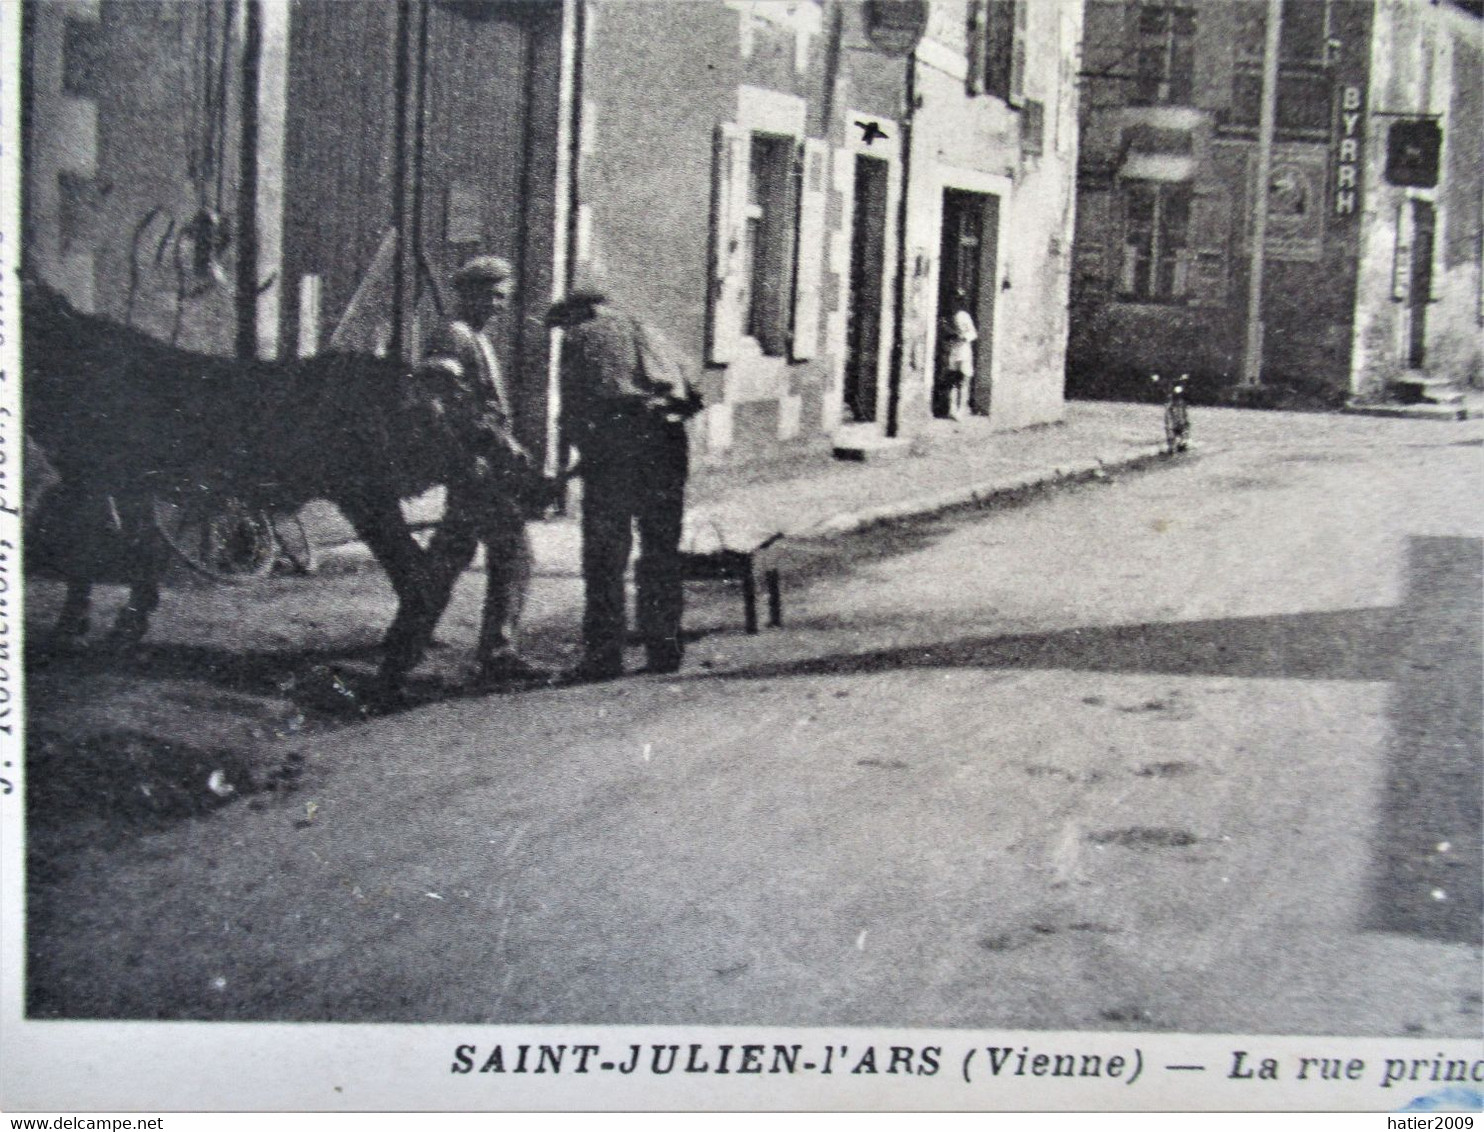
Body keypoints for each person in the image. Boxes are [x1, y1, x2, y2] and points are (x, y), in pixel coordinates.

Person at [389, 254, 551, 690]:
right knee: (511, 555)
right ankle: (493, 654)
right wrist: (467, 456)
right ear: (471, 293)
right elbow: (435, 403)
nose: (501, 305)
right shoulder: (453, 337)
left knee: (449, 558)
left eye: (504, 297)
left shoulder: (472, 337)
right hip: (475, 468)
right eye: (494, 296)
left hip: (481, 467)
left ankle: (402, 651)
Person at [546, 285, 703, 682]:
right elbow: (695, 392)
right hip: (668, 446)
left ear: (577, 314)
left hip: (616, 446)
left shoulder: (580, 337)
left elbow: (573, 408)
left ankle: (604, 655)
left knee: (605, 555)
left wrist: (581, 455)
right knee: (661, 549)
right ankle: (664, 646)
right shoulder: (648, 328)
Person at [939, 298, 978, 421]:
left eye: (956, 302)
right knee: (952, 381)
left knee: (963, 380)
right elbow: (944, 334)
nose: (953, 304)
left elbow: (973, 333)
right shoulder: (946, 318)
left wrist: (963, 337)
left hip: (963, 351)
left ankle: (961, 409)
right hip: (952, 352)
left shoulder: (964, 316)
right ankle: (952, 409)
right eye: (952, 302)